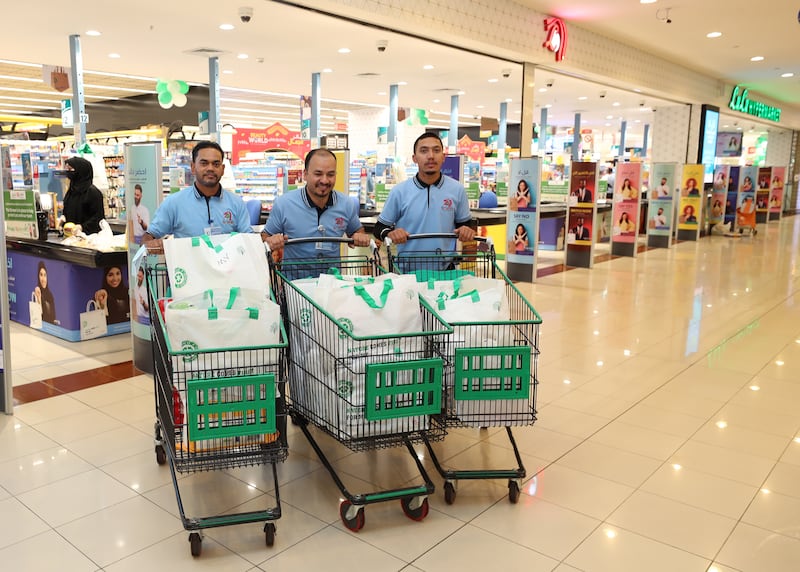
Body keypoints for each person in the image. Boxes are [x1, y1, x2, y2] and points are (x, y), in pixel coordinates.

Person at [262, 148, 370, 270]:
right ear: (305, 175)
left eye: (330, 174)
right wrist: (271, 241)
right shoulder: (284, 204)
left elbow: (357, 231)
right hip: (294, 284)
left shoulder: (346, 204)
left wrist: (359, 236)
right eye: (318, 174)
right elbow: (264, 237)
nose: (324, 180)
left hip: (332, 282)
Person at [373, 132, 475, 258]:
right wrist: (390, 233)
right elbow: (379, 229)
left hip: (445, 269)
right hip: (408, 271)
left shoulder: (457, 189)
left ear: (443, 157)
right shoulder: (399, 192)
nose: (431, 156)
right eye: (424, 151)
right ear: (414, 158)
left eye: (436, 150)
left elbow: (465, 225)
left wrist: (466, 230)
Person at [143, 141, 254, 253]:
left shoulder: (236, 203)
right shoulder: (174, 203)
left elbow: (249, 239)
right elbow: (149, 236)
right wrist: (151, 244)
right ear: (192, 167)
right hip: (188, 269)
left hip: (228, 268)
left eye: (216, 164)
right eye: (204, 163)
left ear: (223, 169)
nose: (210, 168)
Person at [62, 156, 105, 235]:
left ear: (81, 171)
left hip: (89, 239)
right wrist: (63, 219)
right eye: (67, 169)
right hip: (71, 237)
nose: (68, 172)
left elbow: (98, 218)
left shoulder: (93, 193)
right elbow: (67, 211)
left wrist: (82, 227)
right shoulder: (71, 191)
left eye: (71, 169)